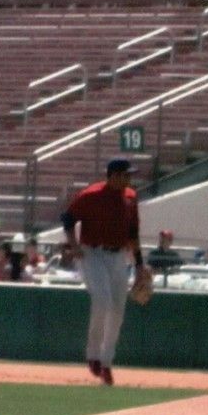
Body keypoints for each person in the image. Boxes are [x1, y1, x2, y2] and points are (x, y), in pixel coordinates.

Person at [60, 158, 144, 386]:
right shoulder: (91, 195)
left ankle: (106, 363)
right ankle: (93, 355)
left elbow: (133, 234)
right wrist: (73, 244)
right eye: (126, 175)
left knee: (118, 309)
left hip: (118, 256)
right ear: (114, 176)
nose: (129, 179)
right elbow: (67, 219)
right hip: (92, 253)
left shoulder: (130, 197)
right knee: (102, 300)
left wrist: (139, 265)